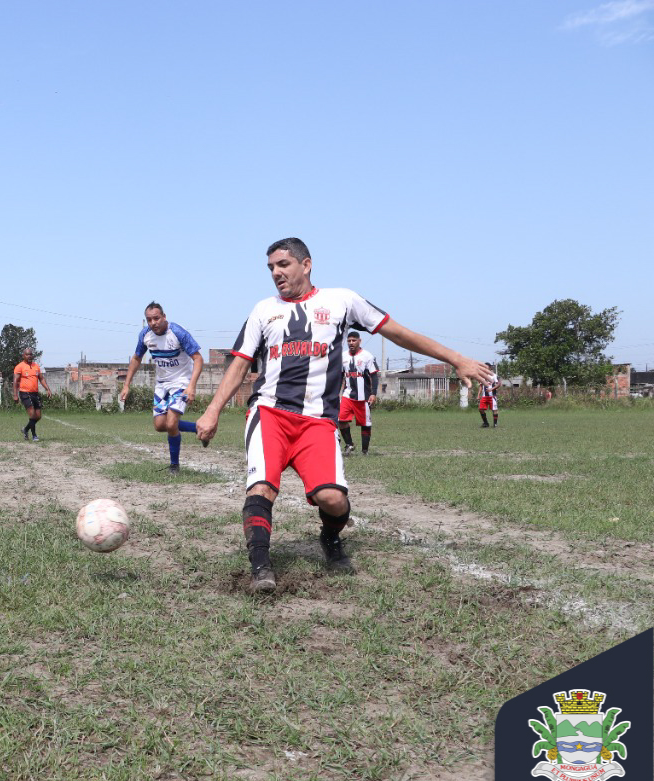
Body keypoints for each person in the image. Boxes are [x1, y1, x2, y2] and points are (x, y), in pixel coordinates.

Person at [196, 237, 492, 594]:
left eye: (283, 265)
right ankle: (261, 568)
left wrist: (455, 358)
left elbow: (399, 333)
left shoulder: (342, 301)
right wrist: (212, 410)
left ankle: (330, 538)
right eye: (271, 268)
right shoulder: (263, 310)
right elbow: (240, 363)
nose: (276, 273)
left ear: (306, 264)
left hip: (317, 421)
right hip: (269, 413)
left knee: (333, 499)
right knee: (261, 489)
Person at [120, 302, 205, 472]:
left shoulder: (178, 333)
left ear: (164, 317)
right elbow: (136, 358)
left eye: (156, 318)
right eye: (149, 319)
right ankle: (198, 428)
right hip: (162, 384)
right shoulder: (145, 335)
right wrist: (126, 385)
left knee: (172, 423)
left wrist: (192, 386)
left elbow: (198, 359)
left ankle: (174, 466)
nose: (153, 323)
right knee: (160, 425)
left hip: (181, 382)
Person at [338, 331, 379, 455]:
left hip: (363, 397)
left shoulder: (367, 356)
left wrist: (373, 393)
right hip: (347, 395)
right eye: (349, 341)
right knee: (341, 419)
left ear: (359, 341)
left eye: (354, 340)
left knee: (365, 423)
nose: (351, 343)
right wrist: (335, 392)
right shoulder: (343, 357)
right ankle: (349, 445)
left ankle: (365, 451)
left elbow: (374, 376)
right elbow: (340, 376)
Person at [13, 348, 51, 441]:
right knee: (33, 415)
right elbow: (15, 381)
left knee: (38, 416)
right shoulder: (19, 367)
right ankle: (34, 435)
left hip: (35, 393)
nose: (29, 356)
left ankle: (25, 429)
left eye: (30, 354)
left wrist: (47, 389)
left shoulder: (36, 366)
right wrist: (15, 395)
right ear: (23, 356)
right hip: (25, 393)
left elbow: (41, 379)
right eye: (27, 354)